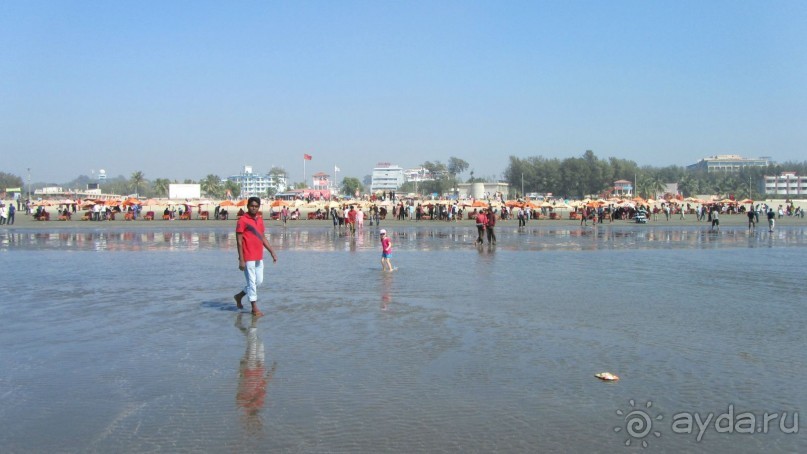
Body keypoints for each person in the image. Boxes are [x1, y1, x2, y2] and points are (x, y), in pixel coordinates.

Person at [234, 197, 278, 317]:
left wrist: (272, 252)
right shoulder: (242, 220)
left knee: (258, 281)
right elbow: (238, 241)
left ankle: (239, 296)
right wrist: (241, 259)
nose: (254, 208)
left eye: (256, 206)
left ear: (259, 207)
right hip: (247, 256)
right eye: (252, 206)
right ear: (248, 206)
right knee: (252, 283)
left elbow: (262, 237)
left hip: (259, 255)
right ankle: (254, 307)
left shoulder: (259, 219)